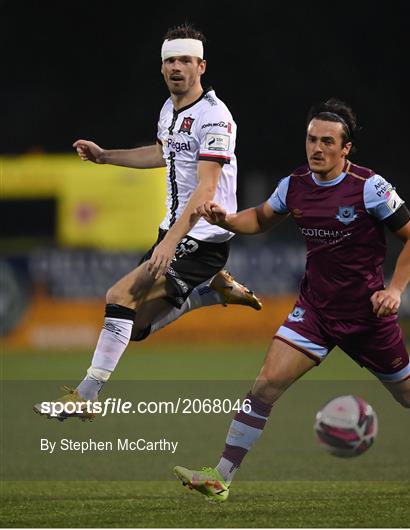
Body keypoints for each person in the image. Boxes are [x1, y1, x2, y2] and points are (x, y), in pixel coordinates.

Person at [172, 98, 410, 502]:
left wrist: (395, 290)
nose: (317, 148)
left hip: (367, 316)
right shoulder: (295, 185)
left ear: (346, 148)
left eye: (327, 142)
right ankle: (221, 476)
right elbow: (262, 218)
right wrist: (227, 220)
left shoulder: (370, 188)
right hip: (316, 311)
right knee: (265, 385)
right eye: (311, 139)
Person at [33, 22, 261, 421]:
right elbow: (162, 154)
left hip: (200, 236)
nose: (177, 67)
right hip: (174, 231)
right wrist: (106, 157)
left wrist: (170, 242)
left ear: (201, 66)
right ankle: (211, 292)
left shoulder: (216, 118)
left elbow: (205, 191)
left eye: (185, 60)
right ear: (161, 68)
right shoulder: (169, 110)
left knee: (117, 297)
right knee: (133, 327)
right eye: (170, 60)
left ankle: (85, 397)